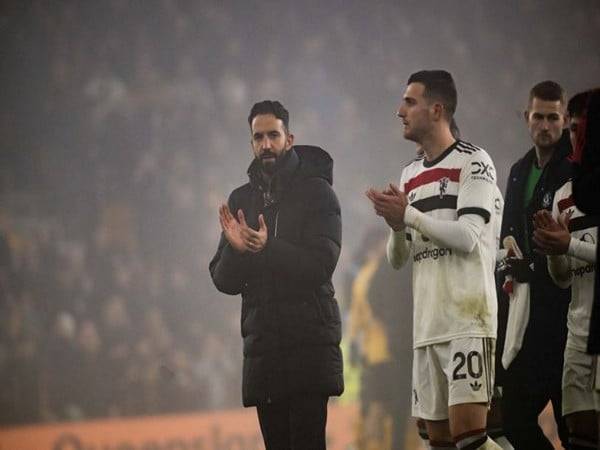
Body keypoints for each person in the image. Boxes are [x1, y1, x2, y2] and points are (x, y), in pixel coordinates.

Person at [367, 70, 502, 450]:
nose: (400, 111)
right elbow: (398, 259)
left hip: (466, 320)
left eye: (410, 102)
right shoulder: (410, 174)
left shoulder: (474, 162)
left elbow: (468, 237)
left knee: (470, 438)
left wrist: (408, 216)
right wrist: (395, 225)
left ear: (437, 109)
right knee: (439, 441)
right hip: (426, 326)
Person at [208, 100, 343, 450]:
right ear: (251, 143)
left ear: (289, 138)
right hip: (264, 355)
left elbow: (320, 265)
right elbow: (224, 281)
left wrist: (268, 248)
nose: (265, 144)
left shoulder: (318, 193)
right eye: (258, 137)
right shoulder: (241, 199)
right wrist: (237, 252)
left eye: (273, 135)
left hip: (308, 351)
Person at [497, 80, 572, 449]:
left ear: (567, 119)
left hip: (568, 311)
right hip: (525, 311)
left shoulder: (580, 170)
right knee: (511, 416)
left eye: (553, 118)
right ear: (526, 118)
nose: (545, 125)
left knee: (572, 424)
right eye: (538, 117)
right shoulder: (517, 171)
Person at [532, 90, 599, 450]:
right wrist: (553, 250)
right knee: (578, 437)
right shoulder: (564, 195)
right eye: (572, 130)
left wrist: (568, 244)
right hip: (578, 334)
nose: (576, 138)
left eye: (582, 129)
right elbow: (562, 279)